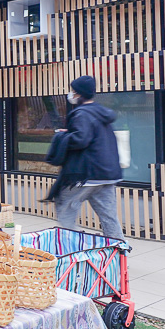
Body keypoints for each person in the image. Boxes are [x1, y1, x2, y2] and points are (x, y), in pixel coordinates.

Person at [45, 75, 124, 240]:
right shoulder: (100, 112)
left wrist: (62, 137)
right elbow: (91, 136)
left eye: (73, 91)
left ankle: (71, 247)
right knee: (109, 216)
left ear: (79, 94)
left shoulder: (81, 113)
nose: (71, 95)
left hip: (86, 174)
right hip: (108, 174)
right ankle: (119, 254)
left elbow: (81, 139)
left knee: (64, 206)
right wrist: (70, 133)